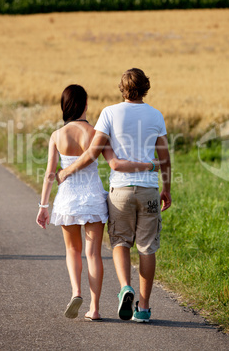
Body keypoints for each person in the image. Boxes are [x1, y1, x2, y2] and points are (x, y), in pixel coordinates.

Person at [36, 84, 159, 322]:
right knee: (93, 254)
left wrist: (43, 206)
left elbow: (50, 174)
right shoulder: (96, 133)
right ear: (85, 105)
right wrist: (147, 164)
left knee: (72, 250)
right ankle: (94, 308)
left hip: (68, 199)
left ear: (64, 106)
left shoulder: (56, 136)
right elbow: (113, 161)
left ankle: (76, 292)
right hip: (92, 197)